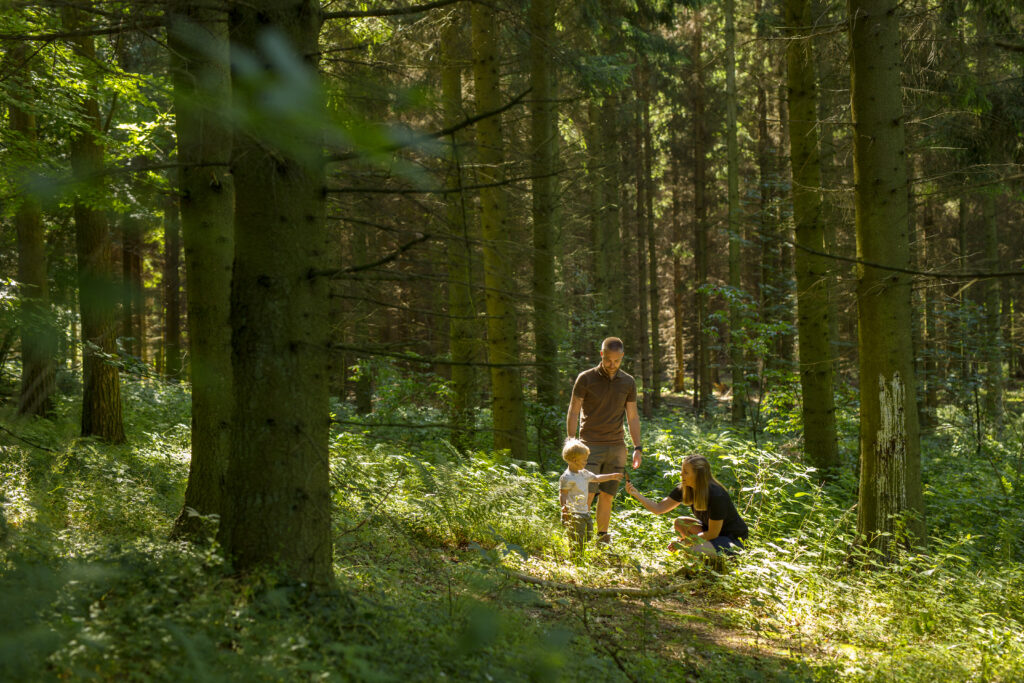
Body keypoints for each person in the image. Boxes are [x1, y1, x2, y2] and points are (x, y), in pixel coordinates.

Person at [566, 337, 642, 545]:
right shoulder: (586, 378)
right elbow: (573, 411)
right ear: (602, 354)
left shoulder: (628, 382)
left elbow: (632, 417)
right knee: (586, 494)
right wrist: (572, 443)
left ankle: (602, 540)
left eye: (617, 361)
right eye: (608, 360)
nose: (612, 365)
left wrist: (638, 447)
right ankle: (578, 541)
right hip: (588, 447)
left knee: (607, 495)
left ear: (622, 358)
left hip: (617, 447)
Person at [624, 454, 748, 556]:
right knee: (680, 522)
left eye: (686, 472)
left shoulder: (717, 495)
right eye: (682, 471)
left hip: (733, 539)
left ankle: (708, 556)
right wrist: (637, 494)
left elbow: (712, 534)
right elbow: (658, 508)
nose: (681, 475)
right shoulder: (685, 488)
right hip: (712, 533)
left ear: (698, 475)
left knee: (694, 551)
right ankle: (703, 552)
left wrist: (685, 543)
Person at [559, 438, 623, 550]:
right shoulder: (567, 477)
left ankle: (580, 552)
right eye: (584, 460)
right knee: (577, 537)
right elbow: (563, 494)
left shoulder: (583, 473)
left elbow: (596, 478)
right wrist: (564, 508)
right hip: (574, 512)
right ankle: (576, 557)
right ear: (574, 460)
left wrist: (611, 476)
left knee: (588, 535)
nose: (586, 462)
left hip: (584, 511)